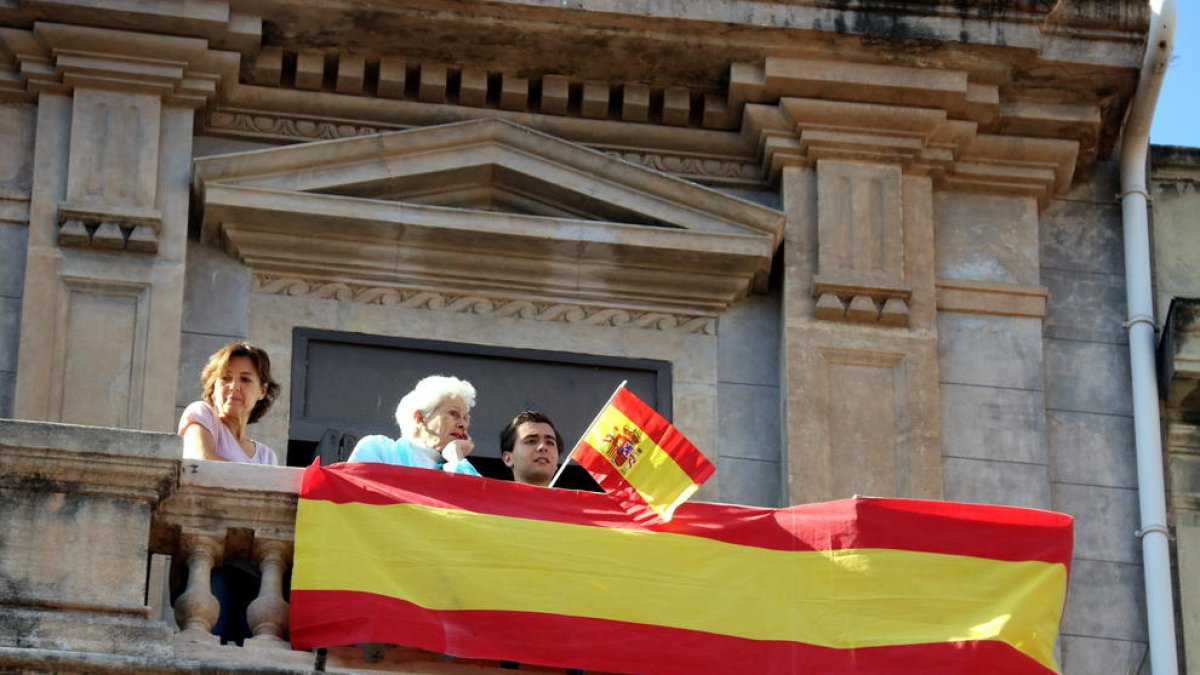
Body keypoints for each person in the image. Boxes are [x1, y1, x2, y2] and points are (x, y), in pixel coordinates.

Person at [346, 374, 481, 476]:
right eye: (453, 413)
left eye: (465, 418)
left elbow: (475, 501)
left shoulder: (460, 465)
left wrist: (456, 460)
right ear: (420, 418)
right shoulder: (380, 450)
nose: (463, 424)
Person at [179, 341, 280, 465]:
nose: (234, 387)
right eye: (225, 378)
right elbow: (201, 461)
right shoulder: (201, 414)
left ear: (262, 391)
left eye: (245, 379)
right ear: (214, 387)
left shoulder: (267, 458)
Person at [499, 410, 565, 487]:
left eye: (550, 442)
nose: (543, 447)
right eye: (531, 441)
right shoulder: (489, 494)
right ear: (508, 458)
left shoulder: (576, 495)